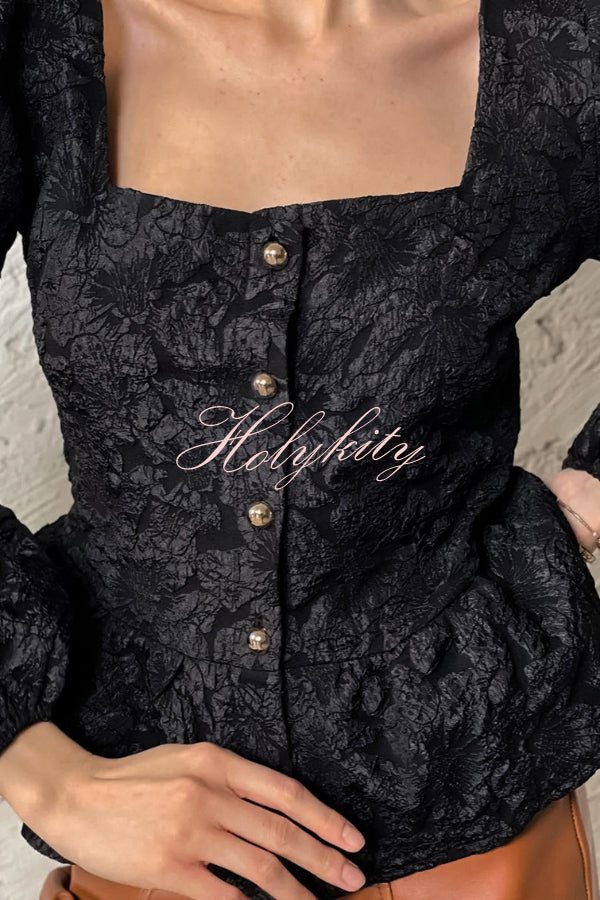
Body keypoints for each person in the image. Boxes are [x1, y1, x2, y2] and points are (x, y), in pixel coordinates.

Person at [1, 0, 600, 898]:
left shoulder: (556, 47)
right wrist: (45, 774)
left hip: (477, 834)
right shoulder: (38, 43)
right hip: (146, 843)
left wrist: (588, 496)